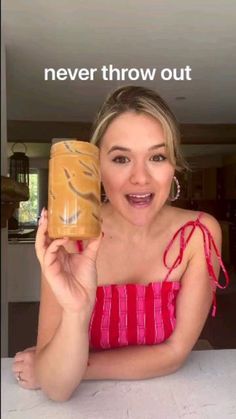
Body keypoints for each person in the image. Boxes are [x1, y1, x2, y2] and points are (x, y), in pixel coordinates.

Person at [12, 85, 229, 401]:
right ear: (98, 167)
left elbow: (175, 352)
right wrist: (76, 311)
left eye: (157, 156)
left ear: (174, 166)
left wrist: (63, 367)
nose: (140, 178)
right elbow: (57, 389)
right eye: (121, 158)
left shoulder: (198, 234)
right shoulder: (71, 240)